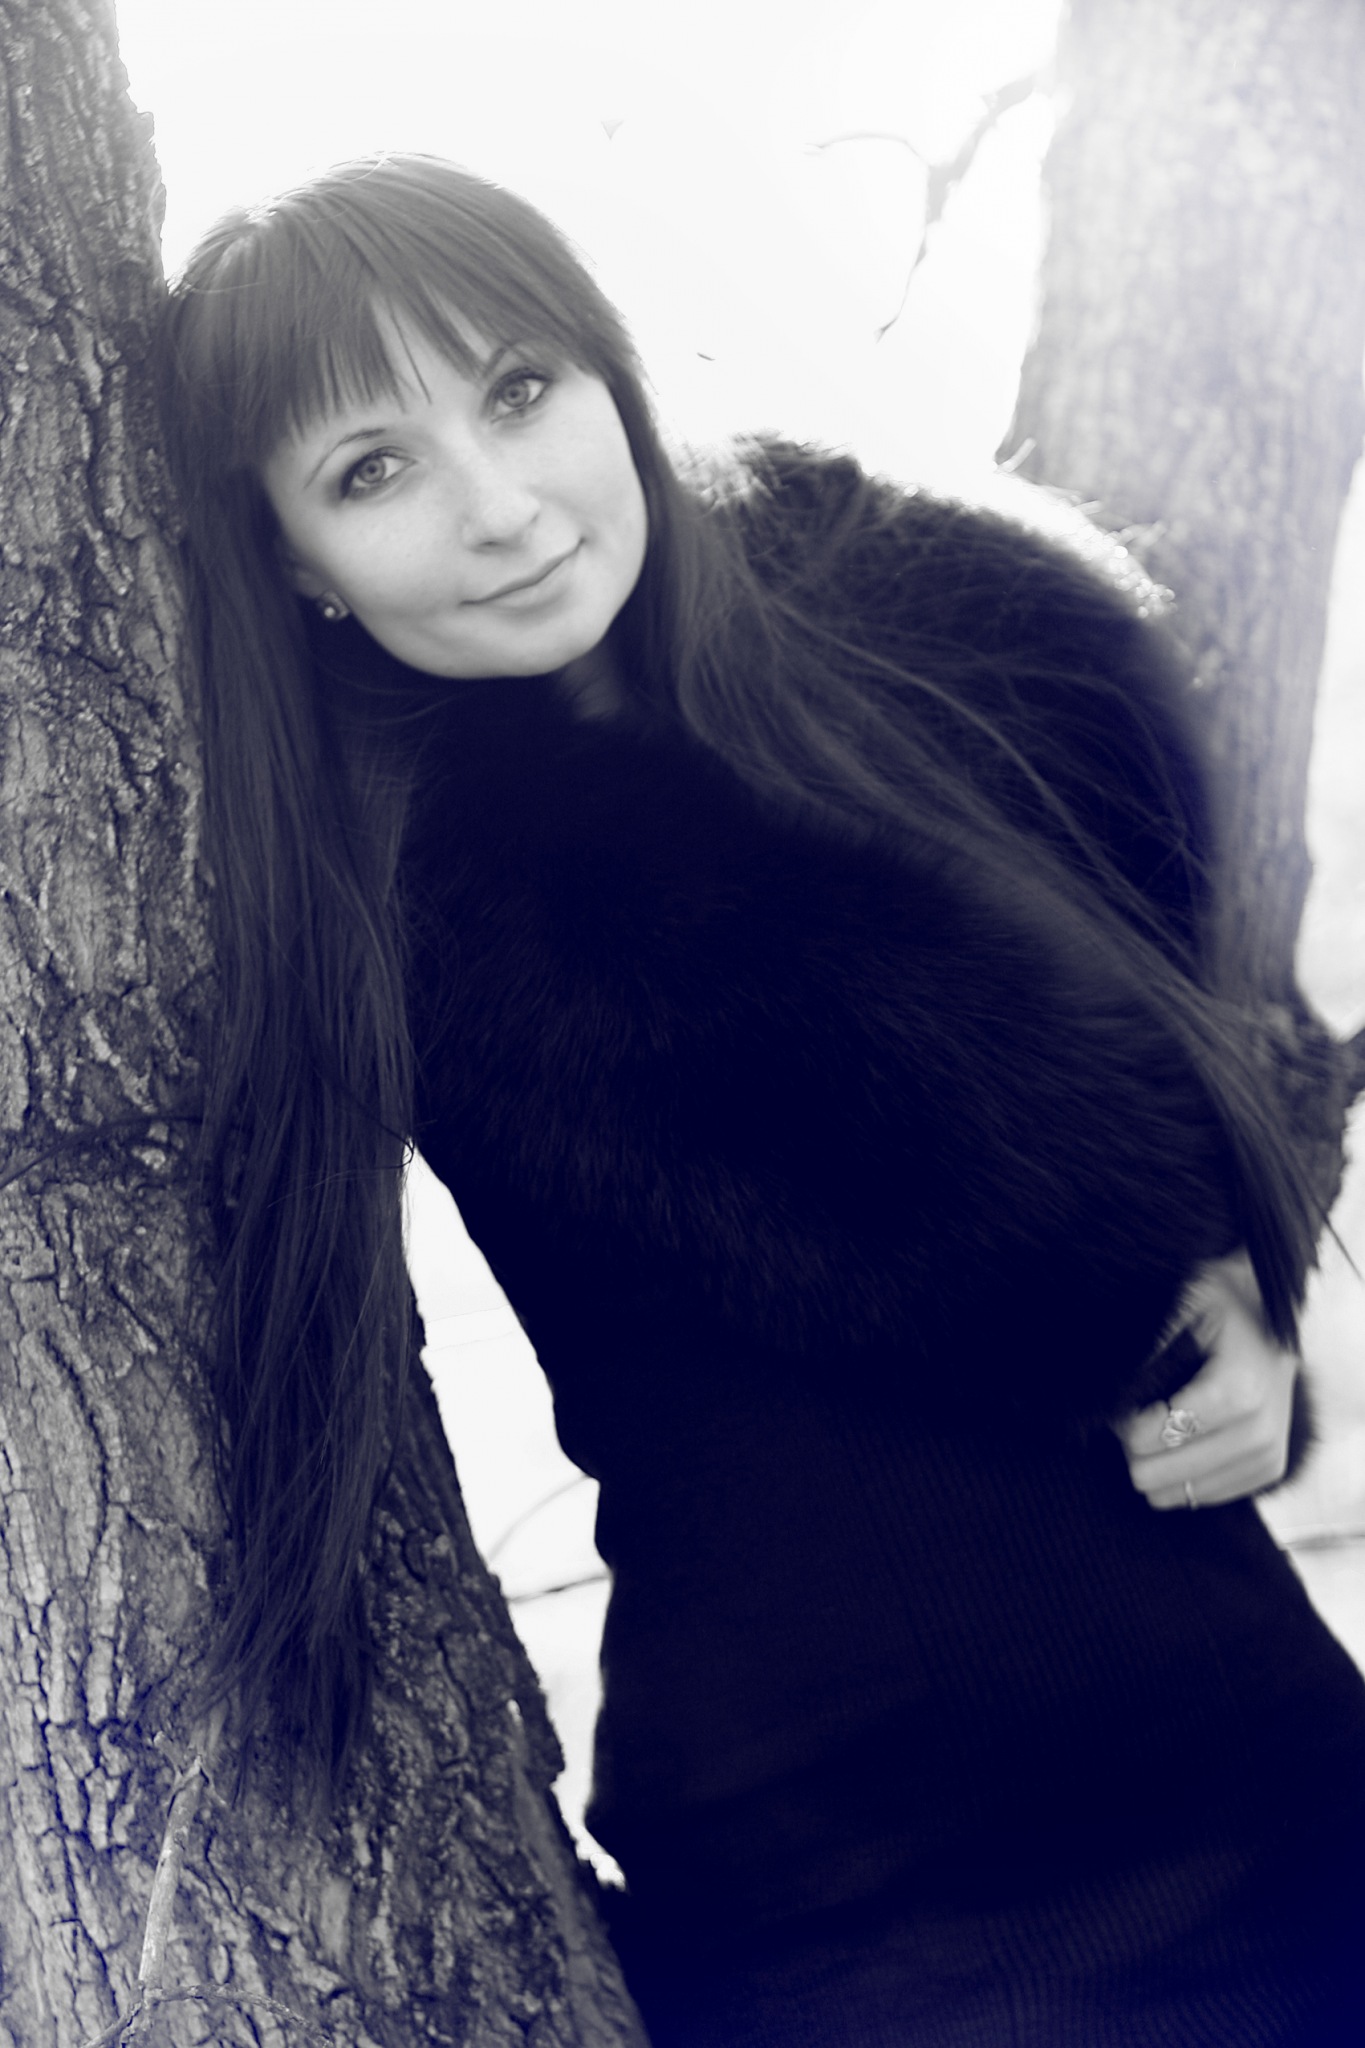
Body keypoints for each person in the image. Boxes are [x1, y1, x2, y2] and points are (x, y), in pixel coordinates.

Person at [154, 153, 1365, 2046]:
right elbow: (984, 1210)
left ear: (610, 371)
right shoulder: (371, 886)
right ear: (295, 560)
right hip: (853, 1898)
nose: (499, 507)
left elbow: (1149, 1086)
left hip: (1273, 1771)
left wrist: (1244, 1296)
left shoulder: (945, 666)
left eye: (518, 388)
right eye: (371, 471)